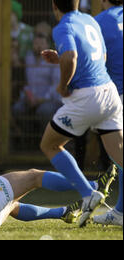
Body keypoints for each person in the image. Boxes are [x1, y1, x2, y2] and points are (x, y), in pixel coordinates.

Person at [39, 0, 123, 227]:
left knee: (50, 144)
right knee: (121, 158)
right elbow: (101, 57)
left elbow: (71, 58)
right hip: (110, 93)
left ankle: (88, 192)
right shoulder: (89, 19)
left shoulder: (62, 26)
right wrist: (61, 57)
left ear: (54, 6)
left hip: (87, 98)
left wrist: (63, 85)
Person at [92, 0, 123, 227]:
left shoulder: (100, 21)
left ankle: (120, 212)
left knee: (119, 154)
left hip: (117, 95)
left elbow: (92, 58)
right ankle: (120, 211)